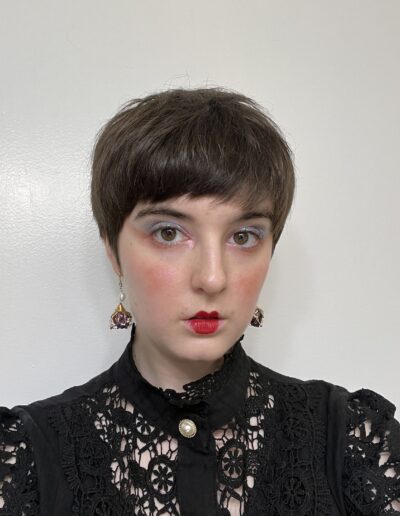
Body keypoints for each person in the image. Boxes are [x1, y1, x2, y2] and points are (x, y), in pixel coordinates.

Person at [0, 87, 399, 516]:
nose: (212, 278)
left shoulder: (353, 442)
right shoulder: (26, 461)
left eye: (243, 236)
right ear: (112, 250)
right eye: (168, 232)